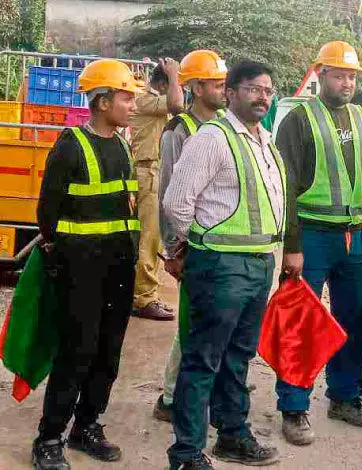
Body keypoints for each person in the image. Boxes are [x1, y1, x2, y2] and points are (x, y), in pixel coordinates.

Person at [164, 60, 284, 470]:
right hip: (219, 265)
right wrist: (191, 246)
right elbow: (176, 203)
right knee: (203, 359)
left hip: (257, 264)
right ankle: (186, 453)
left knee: (238, 357)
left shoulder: (266, 141)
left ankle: (232, 435)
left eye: (268, 89)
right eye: (253, 88)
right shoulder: (212, 139)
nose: (263, 96)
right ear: (230, 94)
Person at [276, 41, 362, 446]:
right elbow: (285, 185)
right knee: (301, 321)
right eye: (339, 74)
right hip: (312, 233)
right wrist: (291, 244)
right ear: (320, 75)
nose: (346, 82)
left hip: (357, 234)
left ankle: (345, 397)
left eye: (352, 76)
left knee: (358, 318)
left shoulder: (361, 118)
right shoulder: (299, 119)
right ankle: (294, 406)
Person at [33, 59, 142, 469]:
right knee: (76, 352)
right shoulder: (70, 145)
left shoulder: (122, 145)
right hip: (80, 271)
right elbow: (48, 215)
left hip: (118, 268)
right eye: (126, 96)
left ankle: (87, 426)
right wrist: (62, 258)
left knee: (107, 353)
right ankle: (49, 437)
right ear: (101, 101)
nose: (132, 104)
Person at [152, 49, 228, 423]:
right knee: (191, 324)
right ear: (196, 88)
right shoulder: (179, 131)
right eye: (216, 84)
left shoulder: (225, 125)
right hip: (191, 242)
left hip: (218, 243)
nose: (223, 89)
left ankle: (189, 393)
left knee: (209, 322)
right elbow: (169, 192)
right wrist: (173, 250)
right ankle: (170, 398)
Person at [128, 57, 184, 321]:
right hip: (148, 172)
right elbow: (178, 105)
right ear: (163, 83)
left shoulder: (150, 100)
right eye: (172, 82)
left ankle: (144, 294)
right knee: (149, 240)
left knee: (153, 238)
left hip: (154, 172)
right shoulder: (146, 100)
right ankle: (144, 299)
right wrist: (176, 75)